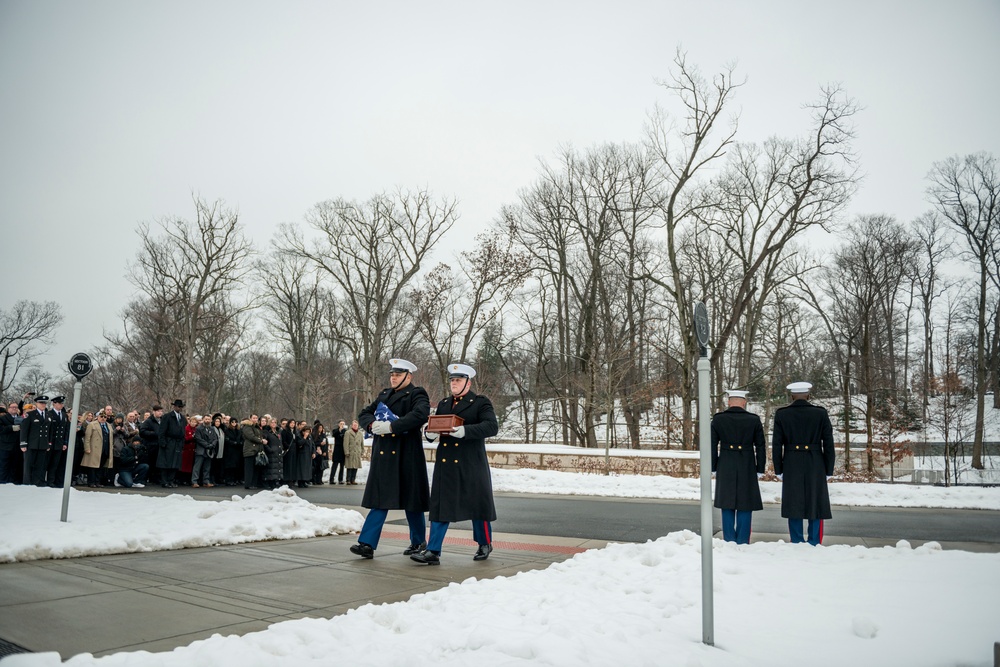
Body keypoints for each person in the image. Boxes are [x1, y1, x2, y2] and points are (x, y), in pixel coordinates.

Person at [411, 363, 499, 565]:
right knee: (441, 507)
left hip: (471, 464)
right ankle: (433, 551)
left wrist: (466, 431)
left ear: (468, 382)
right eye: (452, 380)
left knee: (478, 506)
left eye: (458, 380)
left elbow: (491, 426)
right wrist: (429, 434)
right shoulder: (443, 403)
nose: (454, 383)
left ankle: (484, 543)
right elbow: (436, 425)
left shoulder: (480, 402)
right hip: (447, 464)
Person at [350, 358, 430, 559]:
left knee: (412, 503)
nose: (393, 378)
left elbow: (420, 415)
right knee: (379, 500)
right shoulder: (384, 394)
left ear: (408, 376)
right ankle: (366, 543)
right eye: (392, 375)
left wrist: (392, 427)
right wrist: (371, 426)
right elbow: (365, 413)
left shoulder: (417, 393)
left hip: (406, 454)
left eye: (398, 375)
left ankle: (418, 542)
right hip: (385, 456)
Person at [772, 381, 836, 546]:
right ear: (808, 395)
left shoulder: (782, 414)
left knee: (794, 501)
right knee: (815, 501)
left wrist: (778, 469)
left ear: (792, 396)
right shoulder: (820, 413)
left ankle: (797, 539)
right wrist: (829, 469)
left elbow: (777, 444)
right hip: (815, 460)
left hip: (791, 461)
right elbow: (828, 443)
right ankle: (814, 540)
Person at [710, 389, 766, 544]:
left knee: (727, 503)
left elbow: (712, 445)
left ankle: (729, 539)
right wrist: (760, 468)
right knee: (745, 502)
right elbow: (760, 446)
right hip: (746, 462)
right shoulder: (753, 420)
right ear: (744, 402)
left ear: (729, 402)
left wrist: (713, 466)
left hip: (726, 461)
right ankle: (742, 539)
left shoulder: (719, 419)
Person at [19, 396, 52, 487]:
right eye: (41, 403)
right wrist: (23, 443)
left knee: (40, 465)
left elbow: (49, 430)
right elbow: (24, 430)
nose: (43, 405)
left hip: (43, 444)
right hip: (31, 444)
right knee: (28, 465)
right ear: (36, 404)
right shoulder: (30, 414)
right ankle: (27, 483)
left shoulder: (48, 415)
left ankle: (37, 482)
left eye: (44, 403)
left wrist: (49, 443)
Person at [157, 399, 186, 488]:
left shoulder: (182, 418)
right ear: (174, 407)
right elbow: (161, 431)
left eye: (181, 407)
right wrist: (163, 443)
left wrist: (182, 444)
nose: (179, 408)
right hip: (168, 442)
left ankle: (171, 480)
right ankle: (164, 481)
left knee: (175, 463)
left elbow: (183, 432)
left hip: (177, 443)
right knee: (166, 463)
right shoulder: (167, 416)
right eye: (178, 406)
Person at [81, 412, 114, 487]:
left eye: (105, 417)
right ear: (97, 417)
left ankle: (97, 482)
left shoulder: (108, 426)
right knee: (92, 467)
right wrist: (87, 448)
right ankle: (91, 482)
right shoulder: (92, 424)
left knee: (101, 466)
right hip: (94, 449)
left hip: (105, 449)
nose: (103, 418)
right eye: (101, 416)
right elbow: (87, 438)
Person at [44, 396, 71, 487]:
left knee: (55, 464)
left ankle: (52, 481)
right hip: (51, 442)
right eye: (59, 403)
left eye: (62, 403)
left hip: (59, 443)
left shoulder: (64, 415)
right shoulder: (49, 414)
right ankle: (45, 480)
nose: (61, 405)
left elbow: (65, 430)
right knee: (47, 462)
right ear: (54, 403)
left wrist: (65, 442)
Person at [192, 414, 217, 488]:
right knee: (197, 467)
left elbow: (215, 438)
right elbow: (198, 439)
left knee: (207, 467)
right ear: (203, 419)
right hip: (201, 450)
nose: (207, 421)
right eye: (206, 419)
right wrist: (207, 445)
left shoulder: (212, 428)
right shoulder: (199, 428)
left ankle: (206, 481)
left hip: (209, 451)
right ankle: (194, 481)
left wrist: (212, 445)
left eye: (209, 419)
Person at [139, 405, 163, 484]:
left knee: (158, 463)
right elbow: (142, 432)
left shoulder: (162, 420)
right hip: (151, 445)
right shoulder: (149, 421)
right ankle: (149, 478)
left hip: (160, 445)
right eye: (158, 411)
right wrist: (153, 433)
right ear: (154, 412)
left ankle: (157, 478)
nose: (160, 413)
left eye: (161, 411)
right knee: (151, 463)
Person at [0, 402, 22, 484]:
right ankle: (2, 481)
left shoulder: (20, 418)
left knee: (15, 465)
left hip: (17, 446)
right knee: (4, 465)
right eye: (12, 407)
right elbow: (1, 429)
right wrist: (11, 428)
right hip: (5, 446)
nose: (14, 408)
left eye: (16, 407)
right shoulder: (3, 418)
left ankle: (12, 481)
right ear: (8, 408)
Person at [241, 414, 264, 490]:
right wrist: (261, 440)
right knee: (249, 468)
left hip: (257, 450)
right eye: (253, 418)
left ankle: (254, 483)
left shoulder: (257, 427)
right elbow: (251, 436)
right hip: (249, 450)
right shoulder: (247, 427)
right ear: (250, 418)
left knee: (256, 468)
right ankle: (248, 484)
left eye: (256, 418)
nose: (255, 419)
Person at [260, 417, 283, 490]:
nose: (273, 424)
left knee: (277, 467)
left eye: (275, 422)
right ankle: (269, 481)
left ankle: (275, 481)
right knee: (271, 467)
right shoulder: (266, 432)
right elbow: (264, 442)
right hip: (271, 452)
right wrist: (269, 449)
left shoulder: (278, 432)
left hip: (278, 452)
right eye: (272, 422)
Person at [223, 416, 243, 486]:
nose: (234, 423)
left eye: (235, 422)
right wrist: (234, 443)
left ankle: (234, 479)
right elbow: (227, 439)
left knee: (236, 466)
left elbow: (241, 438)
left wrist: (240, 443)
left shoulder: (239, 430)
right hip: (230, 450)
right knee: (229, 466)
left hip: (237, 450)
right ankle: (229, 480)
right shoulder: (227, 430)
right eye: (232, 422)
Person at [343, 419, 363, 485]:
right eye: (354, 425)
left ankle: (353, 480)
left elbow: (362, 443)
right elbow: (345, 443)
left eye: (356, 425)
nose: (355, 426)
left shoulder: (360, 433)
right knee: (349, 466)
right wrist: (346, 452)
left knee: (355, 466)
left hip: (357, 452)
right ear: (352, 425)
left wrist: (362, 451)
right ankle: (348, 480)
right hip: (350, 452)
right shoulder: (348, 433)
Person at [294, 421, 313, 488]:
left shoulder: (310, 437)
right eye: (306, 431)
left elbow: (312, 445)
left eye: (308, 432)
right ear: (303, 432)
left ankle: (305, 481)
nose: (307, 433)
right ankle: (300, 482)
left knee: (307, 469)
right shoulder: (299, 436)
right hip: (302, 455)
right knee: (301, 469)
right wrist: (304, 437)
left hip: (308, 455)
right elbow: (299, 443)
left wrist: (313, 452)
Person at [330, 419, 347, 484]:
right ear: (338, 424)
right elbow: (334, 435)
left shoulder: (345, 431)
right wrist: (339, 430)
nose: (342, 425)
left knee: (342, 466)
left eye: (343, 424)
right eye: (341, 424)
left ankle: (340, 479)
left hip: (343, 449)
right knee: (335, 465)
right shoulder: (335, 430)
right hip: (337, 449)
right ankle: (331, 479)